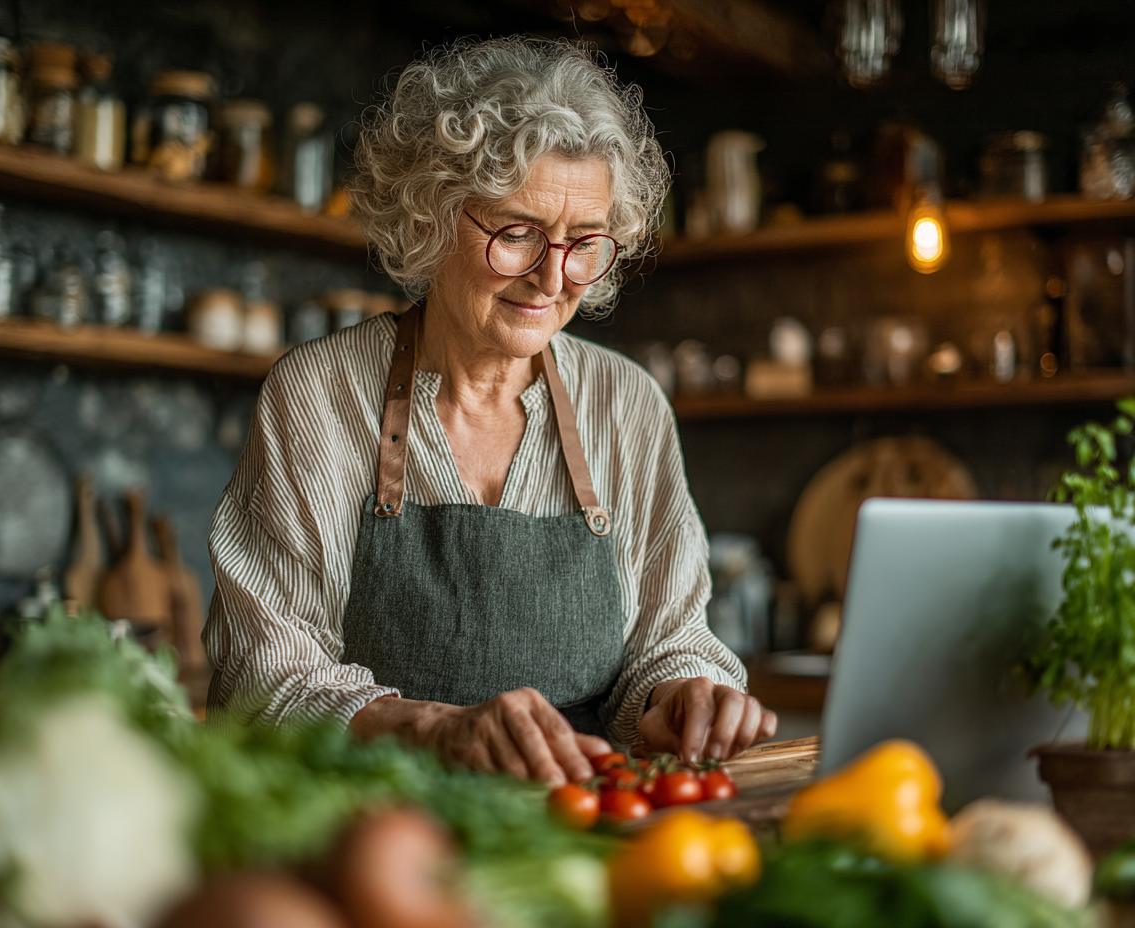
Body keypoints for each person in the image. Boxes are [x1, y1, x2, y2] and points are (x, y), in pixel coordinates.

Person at [204, 36, 777, 787]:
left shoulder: (626, 405)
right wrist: (435, 731)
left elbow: (669, 640)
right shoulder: (321, 394)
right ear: (432, 214)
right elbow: (262, 679)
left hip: (576, 836)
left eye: (585, 243)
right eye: (517, 234)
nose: (552, 277)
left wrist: (679, 696)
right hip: (365, 836)